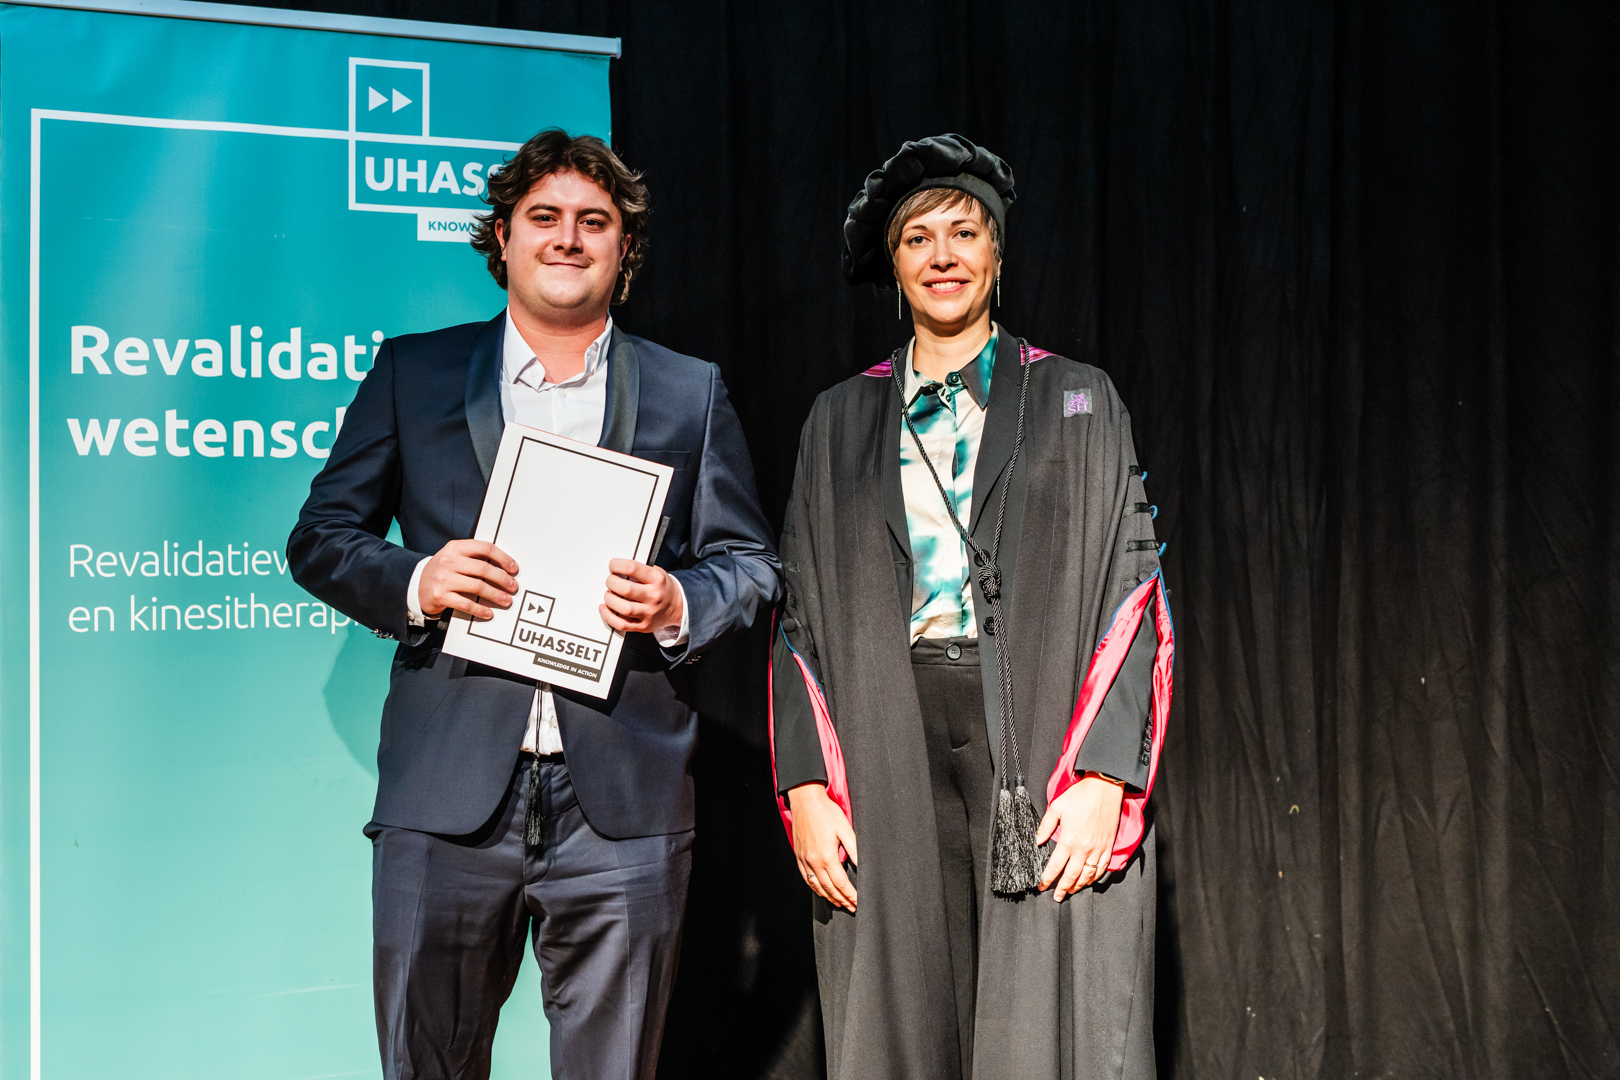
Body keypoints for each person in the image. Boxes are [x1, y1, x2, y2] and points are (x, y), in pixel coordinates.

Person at [288, 130, 781, 1080]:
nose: (568, 237)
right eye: (544, 217)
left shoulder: (689, 390)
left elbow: (751, 562)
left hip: (623, 802)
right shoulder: (414, 373)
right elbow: (321, 537)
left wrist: (679, 598)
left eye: (594, 221)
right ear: (503, 239)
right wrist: (419, 580)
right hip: (447, 795)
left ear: (623, 250)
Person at [769, 134, 1174, 1080]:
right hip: (887, 729)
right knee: (899, 1004)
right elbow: (798, 617)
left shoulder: (1077, 398)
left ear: (997, 251)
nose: (942, 255)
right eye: (918, 238)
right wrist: (806, 787)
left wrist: (1106, 774)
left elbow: (1133, 590)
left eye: (963, 232)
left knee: (1045, 1011)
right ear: (894, 265)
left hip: (1038, 727)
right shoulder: (840, 419)